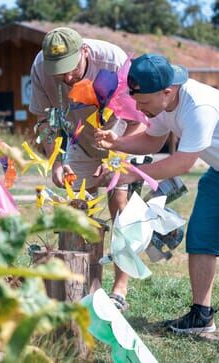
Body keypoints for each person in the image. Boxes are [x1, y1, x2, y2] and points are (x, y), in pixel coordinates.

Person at [94, 53, 219, 355]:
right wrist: (115, 142)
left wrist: (130, 173)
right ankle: (200, 316)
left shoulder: (199, 107)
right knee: (200, 238)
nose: (140, 110)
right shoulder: (162, 103)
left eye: (143, 103)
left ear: (167, 91)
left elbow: (183, 163)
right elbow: (152, 141)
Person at [28, 27, 145, 310]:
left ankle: (119, 289)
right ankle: (85, 284)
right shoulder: (41, 66)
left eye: (71, 68)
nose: (66, 78)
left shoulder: (113, 61)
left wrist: (115, 159)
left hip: (119, 135)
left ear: (85, 52)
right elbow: (44, 122)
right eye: (60, 72)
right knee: (78, 206)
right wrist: (55, 160)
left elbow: (139, 119)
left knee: (120, 206)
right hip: (77, 138)